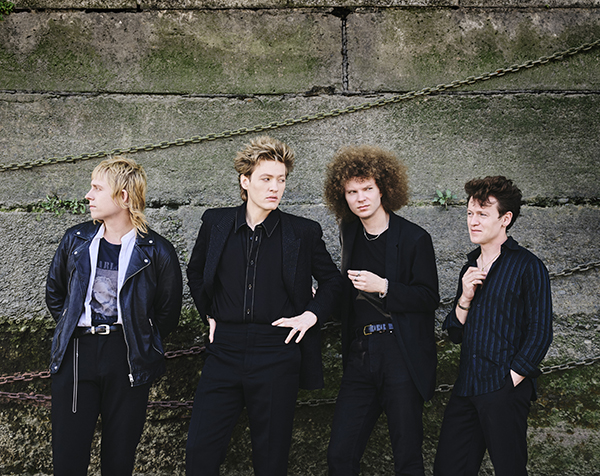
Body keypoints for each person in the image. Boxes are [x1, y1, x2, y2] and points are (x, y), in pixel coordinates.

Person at [185, 136, 342, 476]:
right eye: (266, 179)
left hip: (277, 351)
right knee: (199, 451)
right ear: (245, 181)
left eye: (281, 180)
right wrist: (208, 313)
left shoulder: (302, 232)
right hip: (223, 350)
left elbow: (333, 282)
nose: (275, 188)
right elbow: (195, 272)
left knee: (271, 458)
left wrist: (310, 316)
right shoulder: (215, 223)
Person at [45, 156, 183, 475]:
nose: (88, 195)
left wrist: (137, 336)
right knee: (68, 456)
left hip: (127, 356)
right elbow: (56, 294)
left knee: (119, 458)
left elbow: (167, 313)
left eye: (97, 188)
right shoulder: (76, 241)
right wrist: (74, 327)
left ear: (123, 196)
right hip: (77, 354)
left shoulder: (157, 251)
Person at [323, 145, 440, 476]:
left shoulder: (415, 238)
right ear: (342, 196)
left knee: (407, 457)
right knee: (340, 455)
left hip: (399, 351)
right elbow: (350, 298)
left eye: (367, 189)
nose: (360, 198)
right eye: (352, 192)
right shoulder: (349, 232)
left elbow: (428, 297)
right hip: (360, 353)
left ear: (383, 189)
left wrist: (385, 286)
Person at [434, 176, 553, 476]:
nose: (473, 221)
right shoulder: (469, 267)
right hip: (466, 387)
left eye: (483, 214)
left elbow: (541, 333)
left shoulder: (528, 266)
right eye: (470, 213)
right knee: (448, 469)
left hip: (504, 389)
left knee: (509, 469)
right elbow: (455, 333)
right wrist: (465, 296)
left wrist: (509, 381)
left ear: (505, 219)